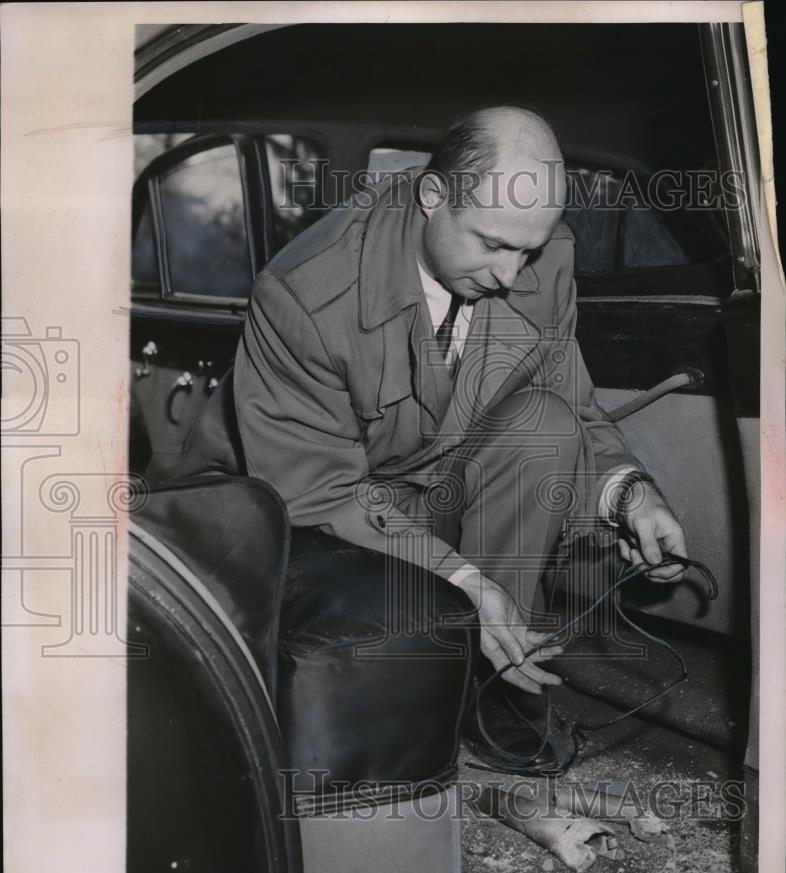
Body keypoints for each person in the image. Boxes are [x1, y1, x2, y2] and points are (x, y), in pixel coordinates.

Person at [180, 106, 689, 696]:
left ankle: (491, 683)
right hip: (288, 518)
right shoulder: (306, 296)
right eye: (494, 244)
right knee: (369, 692)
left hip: (414, 494)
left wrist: (629, 493)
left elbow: (570, 406)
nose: (509, 274)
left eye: (528, 250)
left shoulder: (536, 259)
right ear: (432, 196)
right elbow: (316, 494)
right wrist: (465, 581)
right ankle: (426, 685)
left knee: (541, 423)